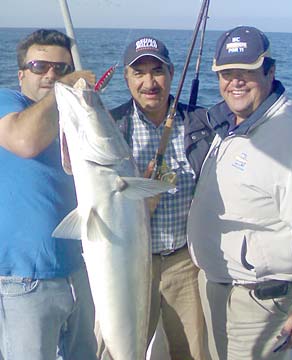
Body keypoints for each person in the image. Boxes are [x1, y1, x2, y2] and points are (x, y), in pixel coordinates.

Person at [187, 26, 292, 360]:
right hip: (217, 288)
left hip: (259, 301)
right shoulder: (230, 124)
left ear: (270, 71)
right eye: (227, 73)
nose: (236, 82)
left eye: (247, 72)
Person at [95, 36, 213, 360]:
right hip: (130, 264)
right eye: (139, 72)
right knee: (115, 351)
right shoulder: (111, 127)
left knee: (193, 353)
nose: (149, 82)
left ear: (172, 74)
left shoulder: (200, 124)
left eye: (157, 71)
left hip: (184, 263)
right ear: (127, 79)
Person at [0, 29, 98, 360]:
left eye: (61, 68)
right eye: (40, 66)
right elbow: (23, 142)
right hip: (24, 280)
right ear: (21, 73)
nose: (51, 74)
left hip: (79, 271)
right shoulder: (6, 102)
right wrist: (66, 88)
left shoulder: (70, 119)